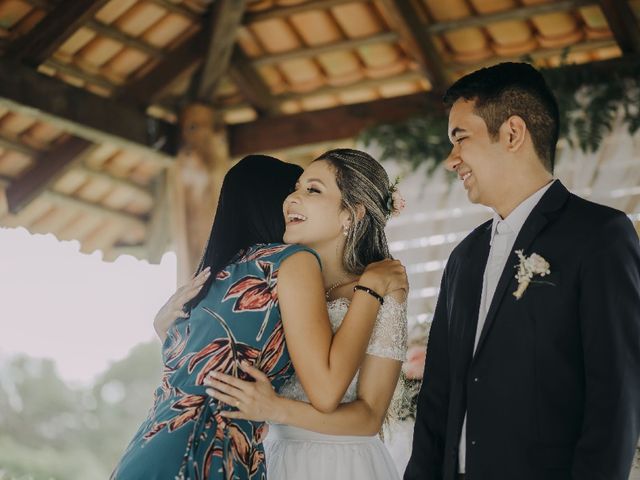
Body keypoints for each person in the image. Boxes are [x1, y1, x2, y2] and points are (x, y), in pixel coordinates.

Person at [405, 62, 640, 480]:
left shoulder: (599, 236)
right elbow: (438, 398)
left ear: (512, 133)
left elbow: (616, 398)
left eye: (460, 138)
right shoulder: (463, 258)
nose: (450, 159)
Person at [111, 154, 407, 480]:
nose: (293, 199)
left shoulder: (274, 273)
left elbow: (368, 415)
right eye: (293, 189)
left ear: (351, 213)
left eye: (312, 190)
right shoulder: (273, 277)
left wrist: (370, 288)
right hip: (256, 456)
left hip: (338, 464)